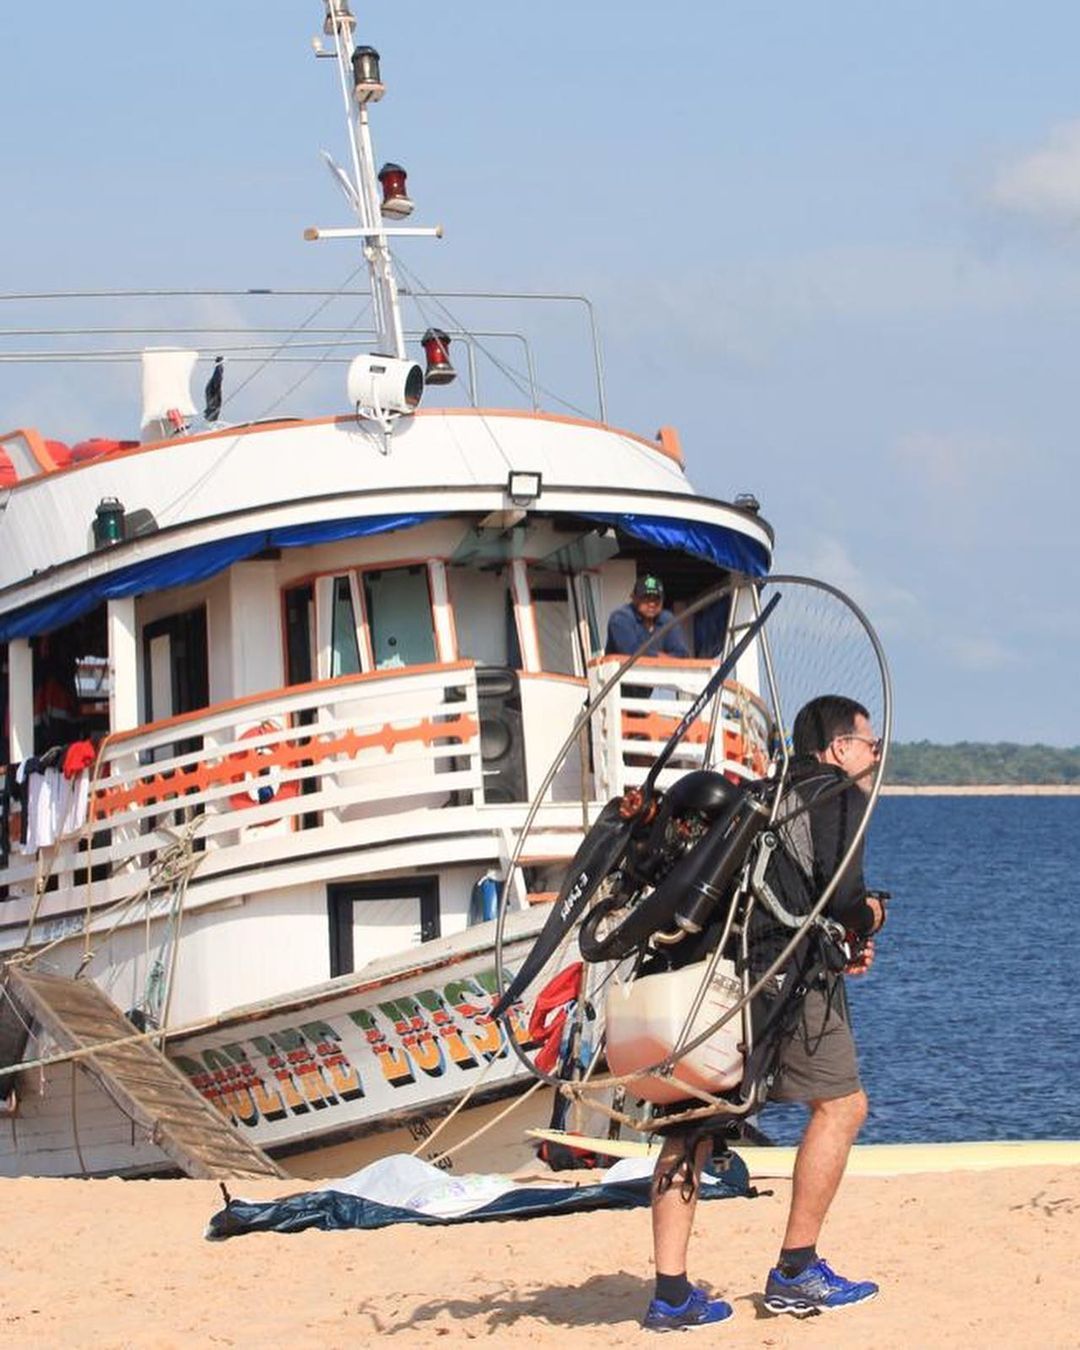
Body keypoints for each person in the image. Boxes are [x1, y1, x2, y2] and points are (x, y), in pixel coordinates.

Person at [643, 694, 887, 1331]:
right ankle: (796, 1270)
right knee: (842, 1105)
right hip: (789, 978)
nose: (875, 754)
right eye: (869, 743)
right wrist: (873, 918)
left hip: (710, 978)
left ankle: (670, 1295)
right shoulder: (835, 794)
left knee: (688, 1124)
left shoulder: (759, 791)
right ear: (839, 749)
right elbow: (845, 901)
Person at [605, 575, 689, 659]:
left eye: (656, 599)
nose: (652, 604)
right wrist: (660, 657)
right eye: (646, 598)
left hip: (661, 671)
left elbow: (682, 653)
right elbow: (630, 652)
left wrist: (660, 659)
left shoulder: (667, 619)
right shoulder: (620, 618)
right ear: (634, 598)